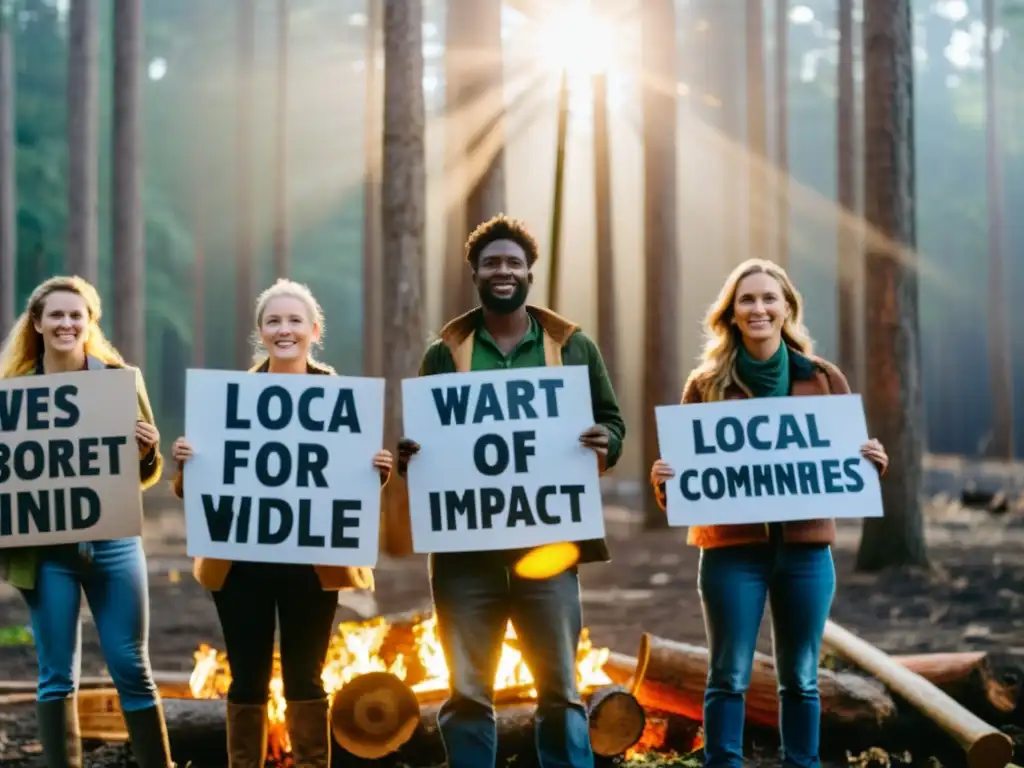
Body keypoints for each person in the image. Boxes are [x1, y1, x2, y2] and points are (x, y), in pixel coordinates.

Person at [395, 214, 626, 768]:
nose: (504, 271)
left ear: (530, 273)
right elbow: (430, 443)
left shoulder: (573, 349)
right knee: (469, 694)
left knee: (561, 691)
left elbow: (612, 423)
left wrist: (605, 441)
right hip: (463, 559)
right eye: (492, 263)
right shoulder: (442, 354)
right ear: (474, 272)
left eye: (513, 263)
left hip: (548, 552)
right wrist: (412, 458)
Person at [649, 259, 889, 768]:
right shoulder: (706, 385)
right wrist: (665, 482)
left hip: (806, 555)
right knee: (728, 676)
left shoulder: (824, 380)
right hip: (731, 555)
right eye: (746, 300)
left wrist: (872, 465)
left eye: (767, 298)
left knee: (801, 679)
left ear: (787, 309)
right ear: (731, 315)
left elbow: (845, 466)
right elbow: (688, 485)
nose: (758, 308)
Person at [170, 279, 393, 768]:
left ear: (314, 331)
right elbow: (199, 493)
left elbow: (344, 494)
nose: (284, 329)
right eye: (274, 321)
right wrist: (189, 463)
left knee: (306, 678)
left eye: (295, 321)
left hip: (312, 567)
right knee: (247, 677)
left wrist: (374, 471)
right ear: (261, 332)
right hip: (241, 566)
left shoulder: (342, 402)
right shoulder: (229, 402)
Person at [0, 276, 172, 768]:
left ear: (89, 323)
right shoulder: (13, 397)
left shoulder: (120, 379)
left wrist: (148, 450)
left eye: (77, 315)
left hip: (114, 546)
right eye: (56, 314)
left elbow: (142, 474)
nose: (66, 323)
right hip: (48, 555)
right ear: (37, 323)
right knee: (56, 675)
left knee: (131, 666)